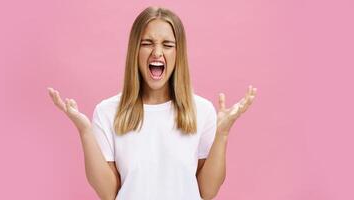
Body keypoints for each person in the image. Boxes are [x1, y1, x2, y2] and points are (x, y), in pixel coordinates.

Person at [47, 6, 257, 200]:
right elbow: (108, 193)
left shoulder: (201, 111)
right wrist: (85, 131)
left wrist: (223, 134)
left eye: (167, 45)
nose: (157, 52)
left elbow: (207, 191)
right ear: (135, 51)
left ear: (178, 53)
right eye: (147, 43)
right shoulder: (107, 112)